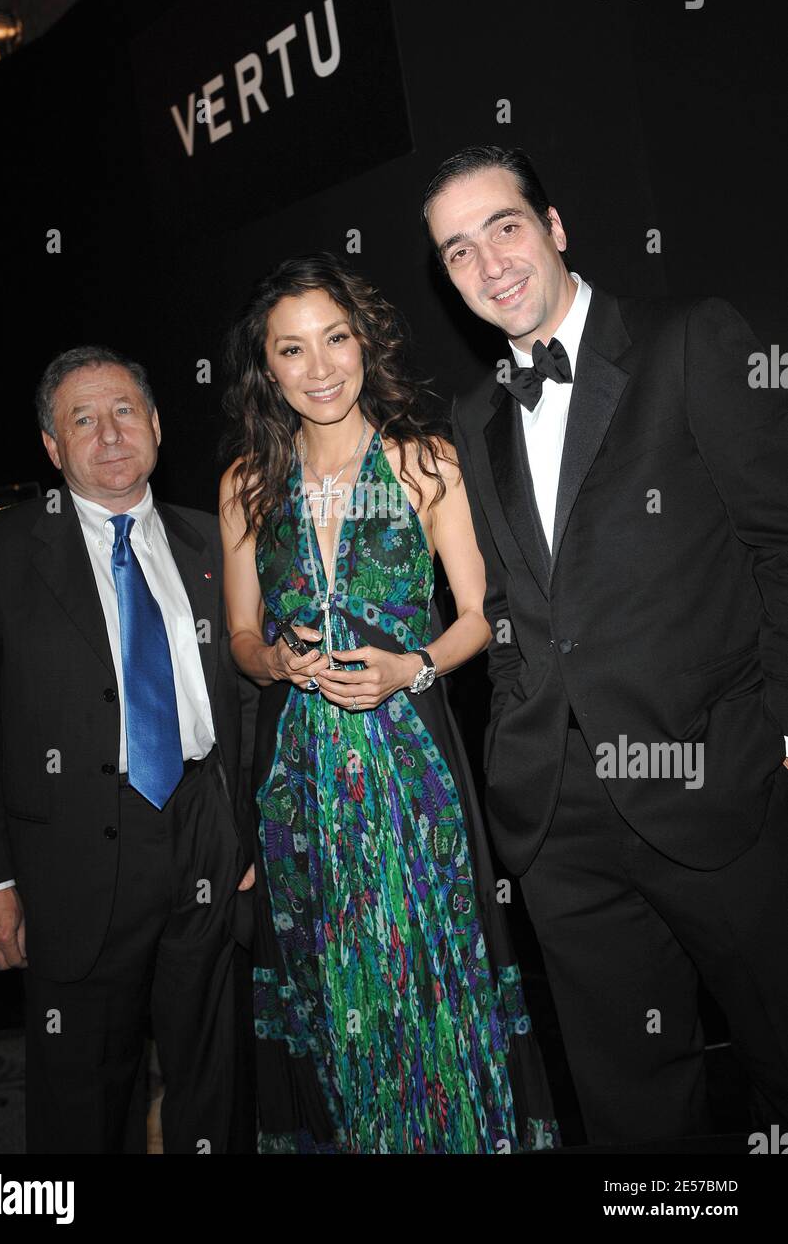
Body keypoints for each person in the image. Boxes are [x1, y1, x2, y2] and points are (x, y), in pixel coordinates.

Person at [424, 144, 788, 1146]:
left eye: (503, 227)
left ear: (553, 228)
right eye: (457, 252)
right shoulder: (476, 413)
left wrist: (775, 737)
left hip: (718, 784)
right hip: (558, 824)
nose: (489, 263)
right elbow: (505, 610)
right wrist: (514, 749)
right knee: (632, 1108)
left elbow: (777, 539)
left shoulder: (684, 342)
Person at [218, 252, 558, 1154]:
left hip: (410, 770)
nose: (320, 367)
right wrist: (279, 664)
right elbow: (241, 640)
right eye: (292, 351)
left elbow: (481, 616)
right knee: (333, 990)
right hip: (300, 786)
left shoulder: (422, 459)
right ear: (268, 367)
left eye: (335, 339)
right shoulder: (247, 486)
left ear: (364, 342)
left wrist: (409, 667)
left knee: (431, 976)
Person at [0, 346, 257, 1154]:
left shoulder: (212, 541)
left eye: (123, 412)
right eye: (82, 419)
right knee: (81, 1089)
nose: (108, 434)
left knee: (213, 1073)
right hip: (68, 857)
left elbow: (250, 697)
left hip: (205, 834)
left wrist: (247, 830)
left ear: (154, 425)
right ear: (51, 445)